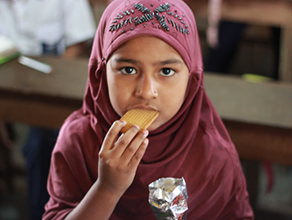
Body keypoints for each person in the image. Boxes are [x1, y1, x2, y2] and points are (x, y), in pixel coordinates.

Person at [43, 0, 254, 219]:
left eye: (166, 71)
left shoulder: (213, 154)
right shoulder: (78, 140)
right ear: (100, 73)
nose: (146, 91)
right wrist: (107, 189)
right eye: (128, 69)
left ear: (192, 79)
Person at [0, 0, 96, 219]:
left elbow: (77, 44)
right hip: (14, 85)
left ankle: (43, 211)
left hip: (56, 87)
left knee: (43, 145)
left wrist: (49, 79)